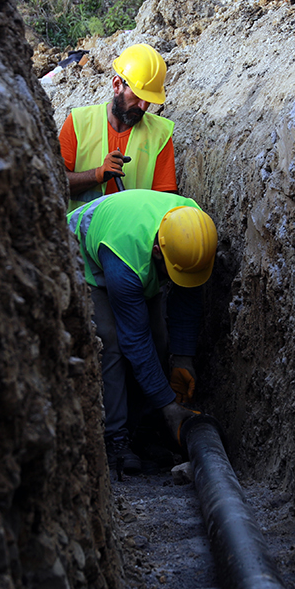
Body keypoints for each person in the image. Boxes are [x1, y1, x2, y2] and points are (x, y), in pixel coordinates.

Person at [68, 189, 216, 476]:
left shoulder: (194, 231)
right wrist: (169, 404)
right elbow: (134, 339)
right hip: (85, 256)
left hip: (134, 255)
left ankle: (145, 430)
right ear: (158, 252)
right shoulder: (126, 254)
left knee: (158, 338)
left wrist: (182, 359)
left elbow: (187, 298)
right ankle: (115, 439)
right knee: (111, 341)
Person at [59, 43, 177, 214]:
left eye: (149, 100)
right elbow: (53, 184)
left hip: (131, 230)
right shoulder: (78, 122)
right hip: (82, 230)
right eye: (137, 97)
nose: (143, 106)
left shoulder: (159, 134)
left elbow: (166, 203)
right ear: (117, 85)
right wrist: (97, 174)